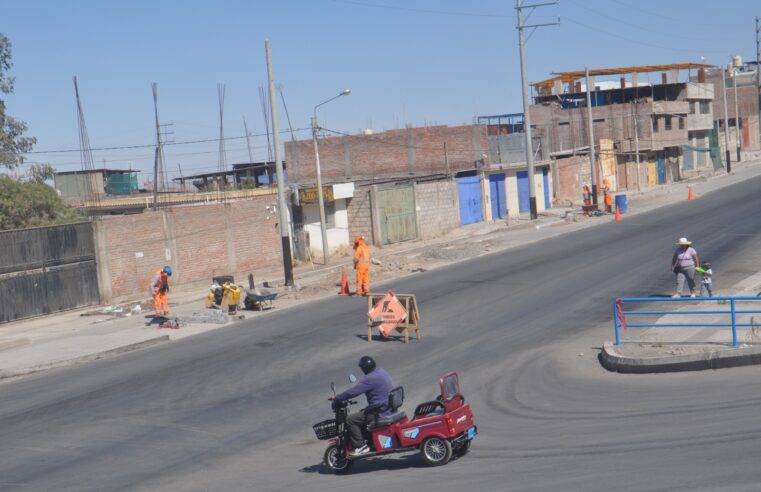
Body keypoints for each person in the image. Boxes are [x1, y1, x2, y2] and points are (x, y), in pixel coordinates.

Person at [332, 356, 393, 456]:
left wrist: (337, 398)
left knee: (350, 420)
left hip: (379, 412)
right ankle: (370, 441)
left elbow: (353, 392)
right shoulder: (382, 372)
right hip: (387, 408)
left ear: (364, 368)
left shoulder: (369, 379)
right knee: (363, 413)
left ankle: (360, 446)